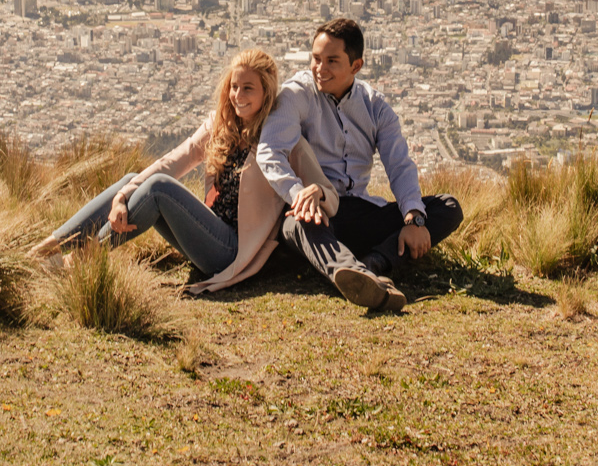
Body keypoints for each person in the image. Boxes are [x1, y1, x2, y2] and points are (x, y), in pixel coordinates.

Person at [29, 48, 333, 291]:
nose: (238, 95)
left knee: (158, 188)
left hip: (232, 253)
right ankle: (45, 250)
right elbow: (173, 161)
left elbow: (329, 194)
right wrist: (122, 196)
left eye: (248, 88)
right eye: (234, 86)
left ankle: (77, 263)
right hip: (206, 231)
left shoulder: (282, 139)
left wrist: (315, 191)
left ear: (266, 92)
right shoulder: (220, 126)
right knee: (133, 181)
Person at [256, 17, 463, 311]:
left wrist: (414, 218)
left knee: (447, 207)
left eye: (332, 61)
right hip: (319, 211)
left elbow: (399, 166)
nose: (320, 68)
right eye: (316, 59)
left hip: (361, 211)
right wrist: (297, 194)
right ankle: (362, 276)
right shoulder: (297, 94)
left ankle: (372, 263)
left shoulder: (375, 106)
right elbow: (269, 152)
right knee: (298, 222)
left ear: (356, 66)